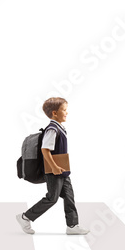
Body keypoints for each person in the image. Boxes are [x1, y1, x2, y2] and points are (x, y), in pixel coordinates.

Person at [16, 97, 89, 235]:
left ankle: (72, 225)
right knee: (52, 198)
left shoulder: (60, 128)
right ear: (55, 113)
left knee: (69, 196)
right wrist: (54, 167)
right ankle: (25, 217)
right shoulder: (52, 129)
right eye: (64, 110)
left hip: (62, 170)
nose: (67, 113)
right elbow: (45, 150)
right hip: (53, 171)